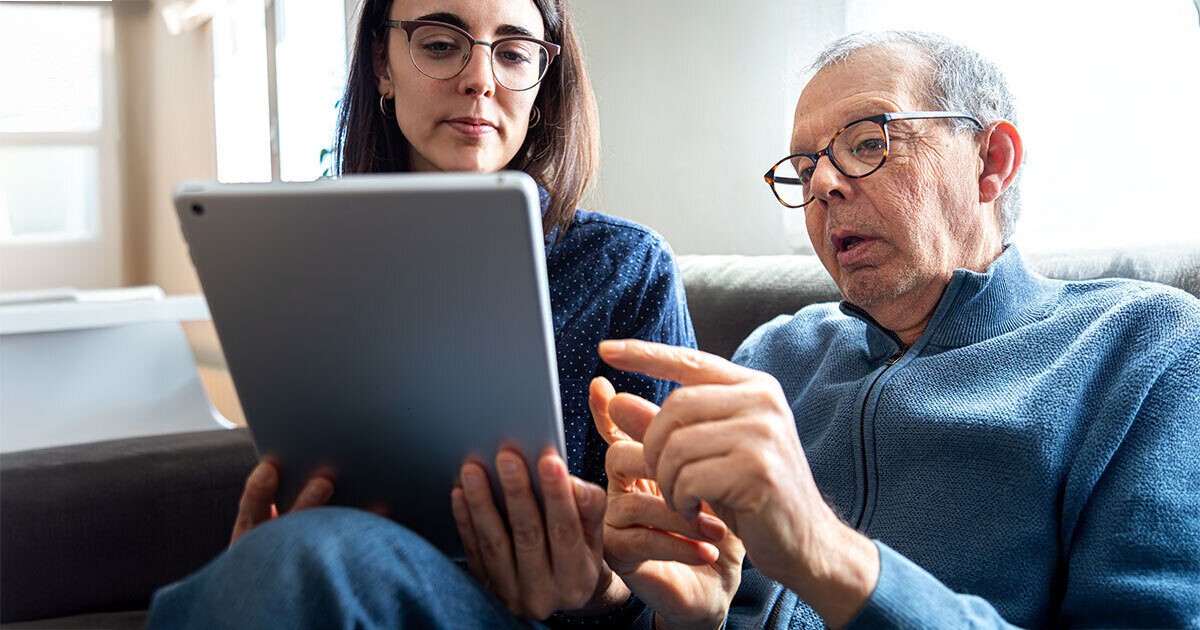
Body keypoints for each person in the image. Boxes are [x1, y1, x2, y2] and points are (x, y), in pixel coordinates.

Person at [588, 30, 1200, 629]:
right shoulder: (773, 353)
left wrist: (824, 552)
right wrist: (689, 618)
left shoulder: (1145, 344)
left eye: (866, 142)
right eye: (804, 170)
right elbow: (698, 599)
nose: (822, 185)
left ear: (992, 161)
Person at [147, 0, 696, 626]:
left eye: (514, 53)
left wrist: (602, 594)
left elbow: (675, 589)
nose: (481, 79)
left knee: (302, 562)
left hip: (544, 620)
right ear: (382, 64)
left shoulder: (627, 267)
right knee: (293, 561)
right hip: (347, 585)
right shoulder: (304, 256)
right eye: (440, 45)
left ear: (542, 85)